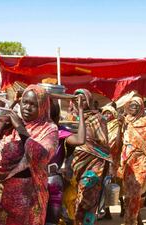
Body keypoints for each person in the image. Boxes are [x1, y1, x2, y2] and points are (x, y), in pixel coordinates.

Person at [0, 85, 58, 225]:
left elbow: (40, 156)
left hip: (27, 196)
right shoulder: (11, 124)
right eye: (24, 102)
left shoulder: (48, 129)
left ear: (43, 106)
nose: (27, 107)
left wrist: (20, 128)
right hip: (0, 194)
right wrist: (9, 114)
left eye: (33, 104)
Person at [66, 89, 111, 225]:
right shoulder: (69, 119)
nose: (79, 102)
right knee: (75, 200)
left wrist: (87, 142)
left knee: (88, 200)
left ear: (90, 101)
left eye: (83, 99)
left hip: (94, 165)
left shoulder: (97, 118)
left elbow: (103, 142)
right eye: (76, 99)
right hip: (74, 166)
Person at [46, 96, 86, 225]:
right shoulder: (31, 130)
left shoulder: (59, 132)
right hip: (33, 180)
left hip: (52, 180)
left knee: (51, 220)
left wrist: (80, 111)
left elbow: (80, 140)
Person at [118, 95, 146, 225]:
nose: (132, 108)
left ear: (141, 108)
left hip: (141, 161)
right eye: (131, 106)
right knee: (128, 194)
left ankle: (131, 220)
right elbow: (122, 142)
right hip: (128, 161)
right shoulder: (125, 122)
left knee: (136, 192)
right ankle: (136, 219)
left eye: (135, 106)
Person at [101, 105, 124, 218]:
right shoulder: (102, 125)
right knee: (106, 185)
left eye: (109, 113)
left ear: (113, 114)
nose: (106, 115)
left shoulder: (116, 126)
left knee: (116, 184)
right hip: (103, 158)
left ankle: (123, 207)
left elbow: (117, 143)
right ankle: (107, 212)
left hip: (114, 159)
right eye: (104, 113)